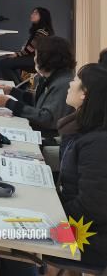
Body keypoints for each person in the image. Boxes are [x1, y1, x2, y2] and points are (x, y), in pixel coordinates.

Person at [57, 63, 107, 268]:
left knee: (11, 233)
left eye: (76, 80)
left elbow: (90, 208)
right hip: (77, 224)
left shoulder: (98, 143)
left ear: (85, 94)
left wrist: (49, 213)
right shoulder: (85, 128)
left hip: (87, 239)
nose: (70, 83)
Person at [0, 36, 75, 137]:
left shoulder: (63, 84)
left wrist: (9, 103)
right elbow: (38, 102)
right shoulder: (53, 78)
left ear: (47, 59)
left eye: (36, 55)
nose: (34, 59)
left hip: (47, 137)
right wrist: (12, 91)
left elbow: (46, 118)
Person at [0, 7, 54, 85]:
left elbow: (31, 48)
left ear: (43, 17)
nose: (32, 15)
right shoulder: (42, 30)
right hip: (35, 59)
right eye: (32, 13)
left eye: (36, 13)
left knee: (4, 63)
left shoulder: (42, 32)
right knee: (7, 63)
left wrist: (17, 54)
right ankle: (20, 88)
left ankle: (16, 89)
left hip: (37, 60)